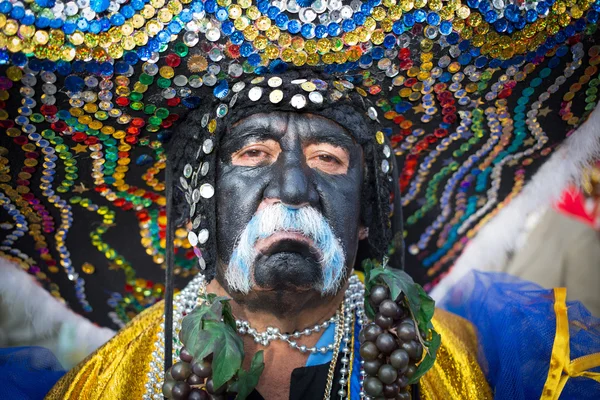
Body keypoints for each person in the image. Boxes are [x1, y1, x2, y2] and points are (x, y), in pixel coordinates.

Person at [0, 0, 598, 399]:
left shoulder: (452, 360)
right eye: (254, 155)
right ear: (200, 208)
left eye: (328, 160)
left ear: (365, 216)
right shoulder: (119, 380)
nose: (290, 189)